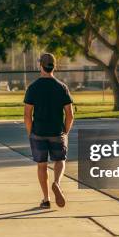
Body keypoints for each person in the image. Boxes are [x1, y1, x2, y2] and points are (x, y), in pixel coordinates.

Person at [24, 53, 74, 209]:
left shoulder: (33, 87)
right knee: (59, 160)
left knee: (42, 165)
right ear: (55, 66)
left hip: (38, 132)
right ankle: (57, 183)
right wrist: (65, 131)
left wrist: (30, 132)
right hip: (56, 132)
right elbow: (70, 114)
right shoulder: (62, 87)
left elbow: (27, 115)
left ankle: (46, 199)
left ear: (40, 66)